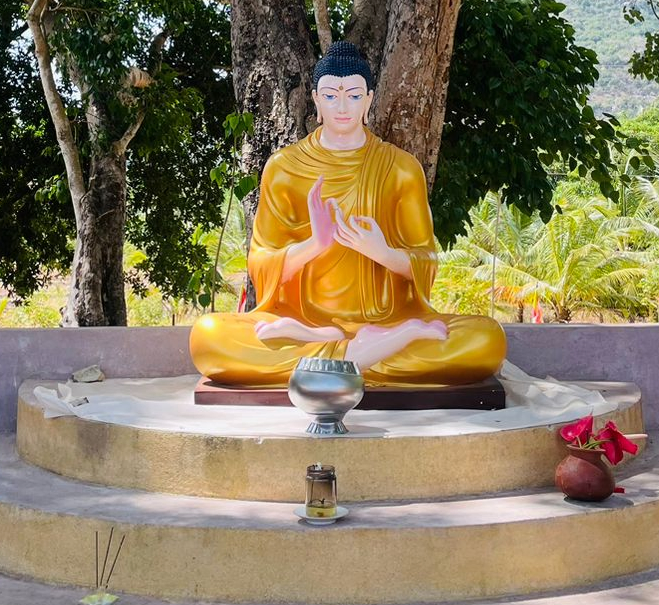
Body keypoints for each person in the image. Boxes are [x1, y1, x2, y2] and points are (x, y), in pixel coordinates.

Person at [190, 41, 507, 385]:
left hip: (385, 319)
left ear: (370, 99)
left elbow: (426, 259)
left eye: (354, 96)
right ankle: (360, 354)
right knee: (208, 338)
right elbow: (261, 262)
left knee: (486, 340)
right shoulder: (284, 168)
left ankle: (334, 356)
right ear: (315, 99)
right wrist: (315, 244)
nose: (342, 106)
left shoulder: (399, 168)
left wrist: (382, 254)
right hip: (305, 319)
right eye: (330, 96)